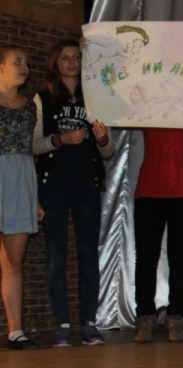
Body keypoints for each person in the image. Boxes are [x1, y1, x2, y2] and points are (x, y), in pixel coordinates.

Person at [33, 39, 115, 347]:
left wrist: (103, 139)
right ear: (55, 63)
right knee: (56, 253)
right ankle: (63, 325)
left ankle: (89, 324)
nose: (71, 62)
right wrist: (61, 139)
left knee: (88, 253)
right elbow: (32, 145)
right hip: (52, 183)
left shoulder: (94, 97)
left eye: (76, 57)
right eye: (65, 58)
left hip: (86, 184)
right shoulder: (42, 97)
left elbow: (108, 152)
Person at [132, 126, 183, 343]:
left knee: (179, 258)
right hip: (149, 187)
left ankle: (176, 317)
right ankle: (145, 318)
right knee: (146, 258)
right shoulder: (147, 105)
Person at [0, 44, 43, 350]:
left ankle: (16, 332)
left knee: (13, 263)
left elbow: (30, 152)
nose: (24, 67)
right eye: (17, 62)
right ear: (1, 67)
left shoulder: (30, 108)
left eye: (26, 63)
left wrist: (34, 199)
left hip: (20, 184)